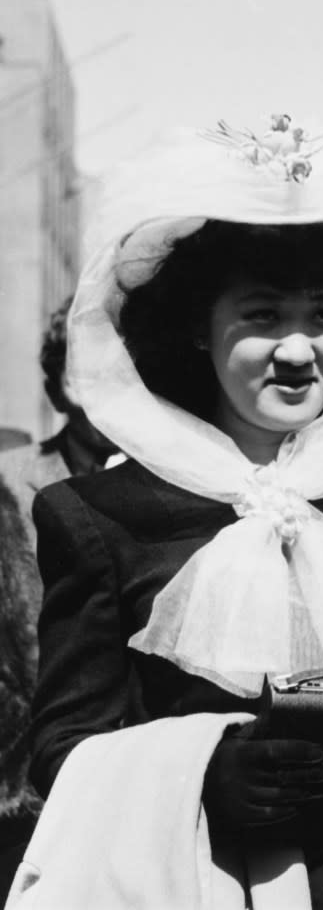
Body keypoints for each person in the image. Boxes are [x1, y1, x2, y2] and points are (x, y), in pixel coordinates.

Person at [8, 118, 323, 910]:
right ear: (199, 333)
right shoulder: (97, 514)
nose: (298, 348)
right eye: (261, 317)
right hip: (201, 878)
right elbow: (63, 749)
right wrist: (203, 769)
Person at [0, 298, 120, 887]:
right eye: (86, 368)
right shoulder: (11, 481)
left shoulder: (181, 478)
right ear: (61, 381)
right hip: (32, 781)